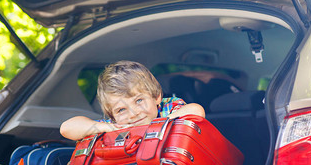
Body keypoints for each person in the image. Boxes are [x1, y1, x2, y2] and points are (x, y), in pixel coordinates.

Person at [60, 60, 205, 141]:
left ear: (156, 97)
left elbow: (196, 111)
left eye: (139, 101)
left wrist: (160, 124)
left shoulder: (167, 108)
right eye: (121, 110)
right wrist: (106, 128)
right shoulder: (116, 126)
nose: (133, 114)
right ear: (113, 116)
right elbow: (66, 128)